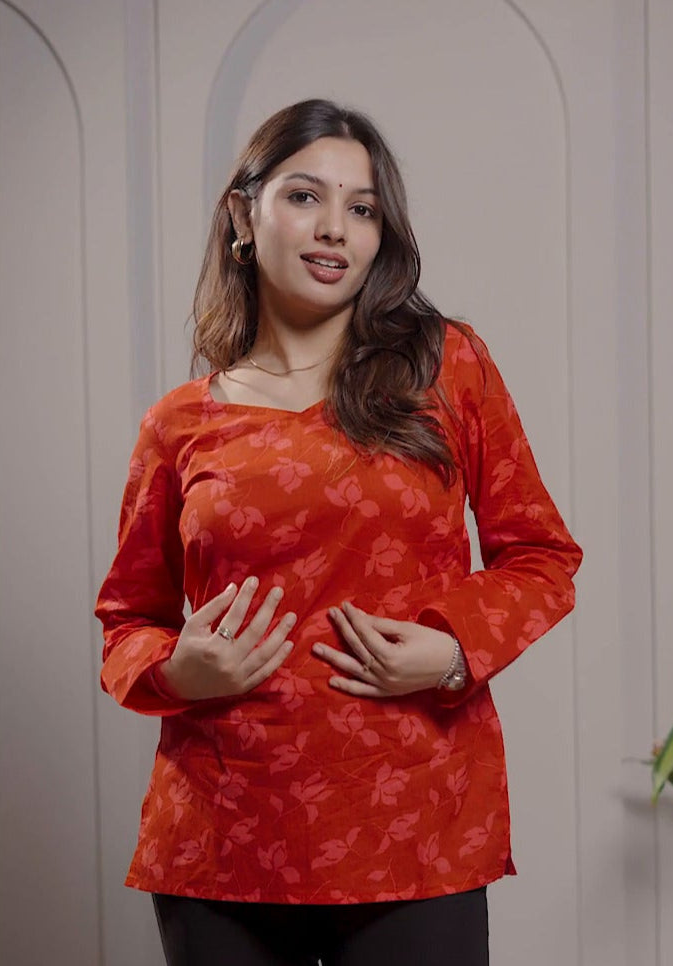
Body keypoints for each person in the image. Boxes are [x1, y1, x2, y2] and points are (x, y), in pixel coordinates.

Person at [96, 98, 582, 966]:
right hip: (221, 840)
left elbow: (541, 557)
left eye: (361, 209)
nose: (334, 230)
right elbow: (126, 621)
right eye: (304, 197)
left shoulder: (445, 366)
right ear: (244, 215)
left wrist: (453, 651)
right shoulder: (179, 423)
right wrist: (177, 669)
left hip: (413, 826)